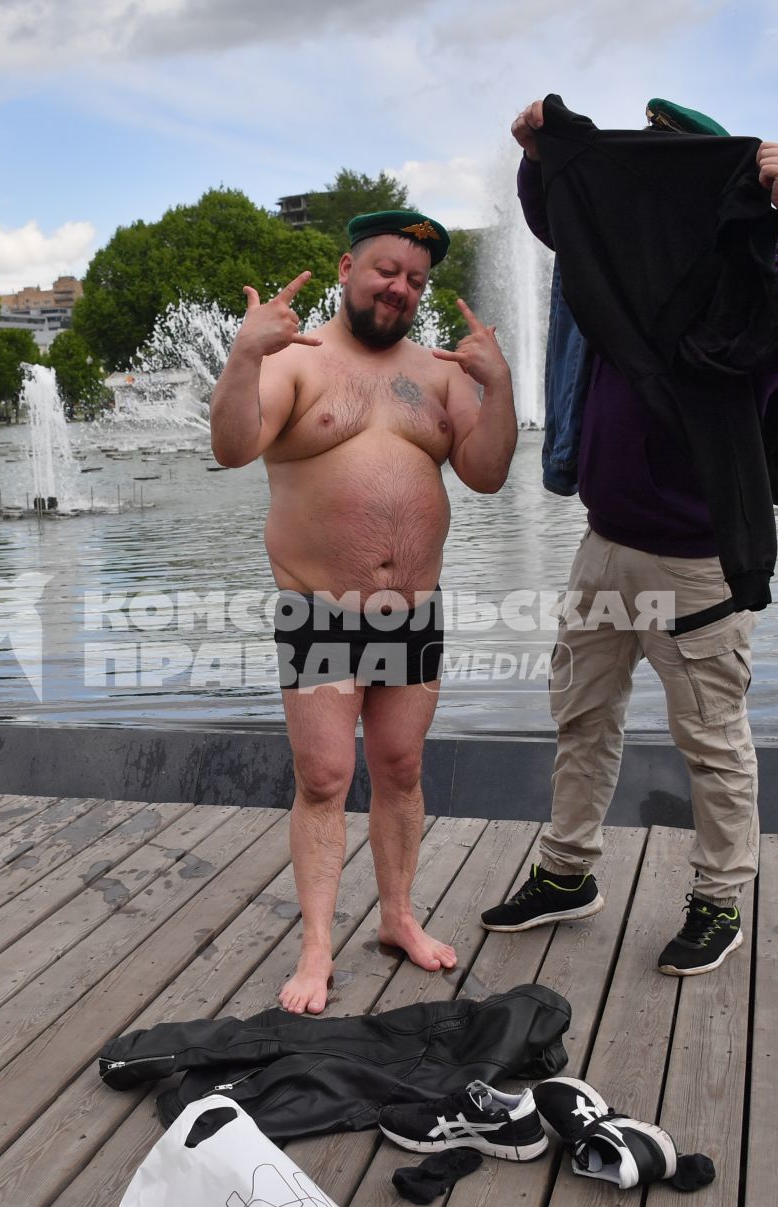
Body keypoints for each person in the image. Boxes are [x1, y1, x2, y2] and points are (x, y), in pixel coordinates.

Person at [480, 94, 778, 977]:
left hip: (699, 565)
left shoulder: (758, 277)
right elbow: (559, 219)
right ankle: (567, 874)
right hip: (604, 544)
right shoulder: (626, 267)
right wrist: (543, 157)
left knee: (712, 741)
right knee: (580, 720)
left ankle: (718, 901)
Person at [209, 210, 517, 1014]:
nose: (400, 288)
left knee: (401, 769)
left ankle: (397, 918)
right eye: (387, 270)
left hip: (411, 614)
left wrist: (500, 383)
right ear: (346, 269)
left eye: (416, 279)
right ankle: (315, 950)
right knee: (323, 778)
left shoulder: (440, 374)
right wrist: (246, 355)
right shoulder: (297, 360)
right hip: (320, 612)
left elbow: (485, 473)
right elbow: (233, 448)